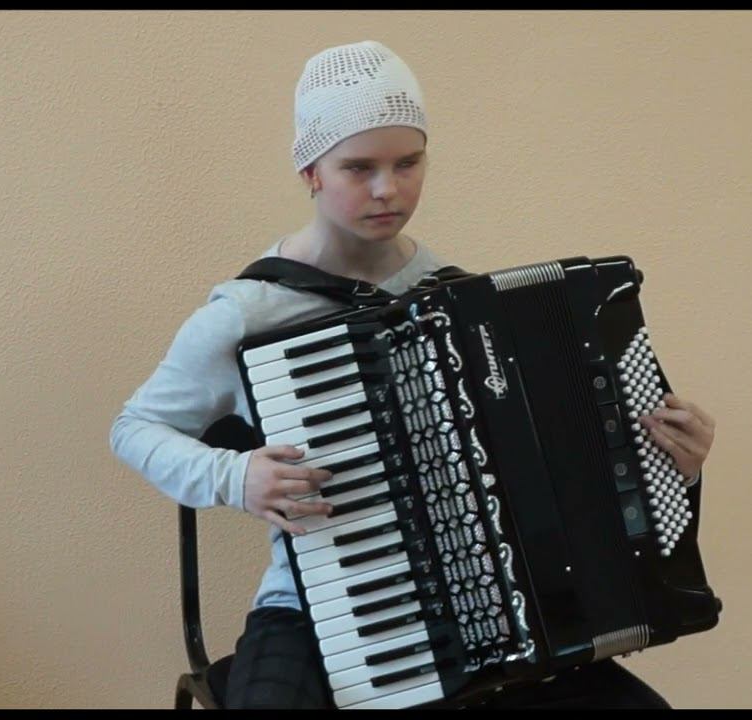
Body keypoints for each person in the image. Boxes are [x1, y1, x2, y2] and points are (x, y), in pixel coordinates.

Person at [109, 39, 717, 710]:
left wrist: (676, 468)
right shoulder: (250, 311)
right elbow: (135, 428)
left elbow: (561, 476)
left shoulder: (461, 303)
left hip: (482, 608)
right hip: (317, 609)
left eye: (408, 162)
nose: (387, 189)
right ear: (311, 171)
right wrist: (235, 476)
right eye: (358, 167)